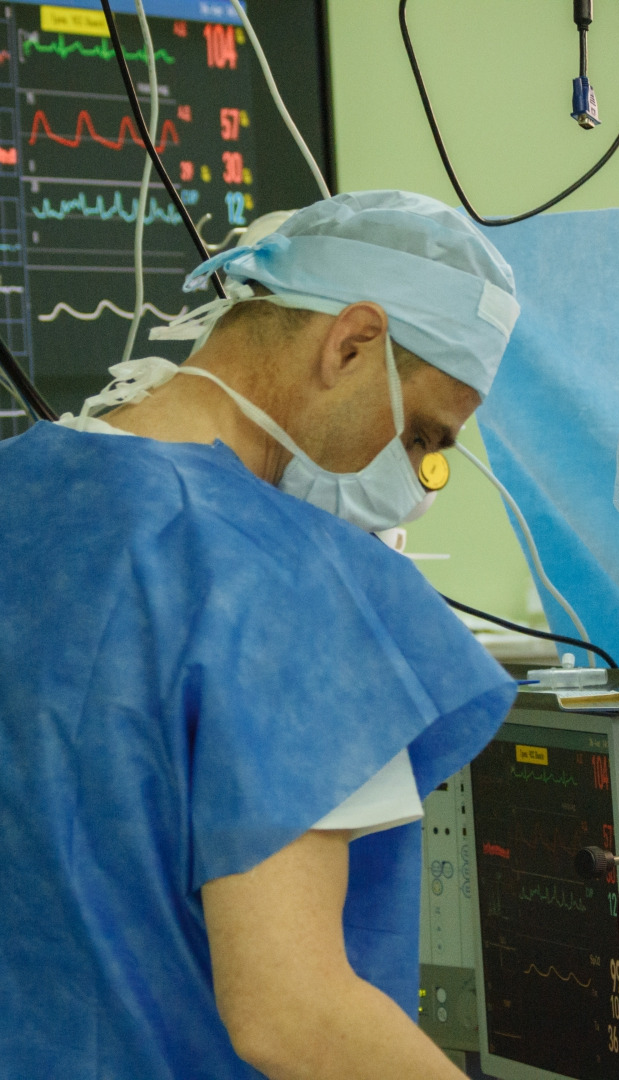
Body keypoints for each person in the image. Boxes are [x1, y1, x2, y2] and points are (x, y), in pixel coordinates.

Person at [0, 191, 521, 1078]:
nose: (415, 485)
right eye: (423, 437)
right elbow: (294, 1017)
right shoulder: (287, 577)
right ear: (351, 343)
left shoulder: (21, 491)